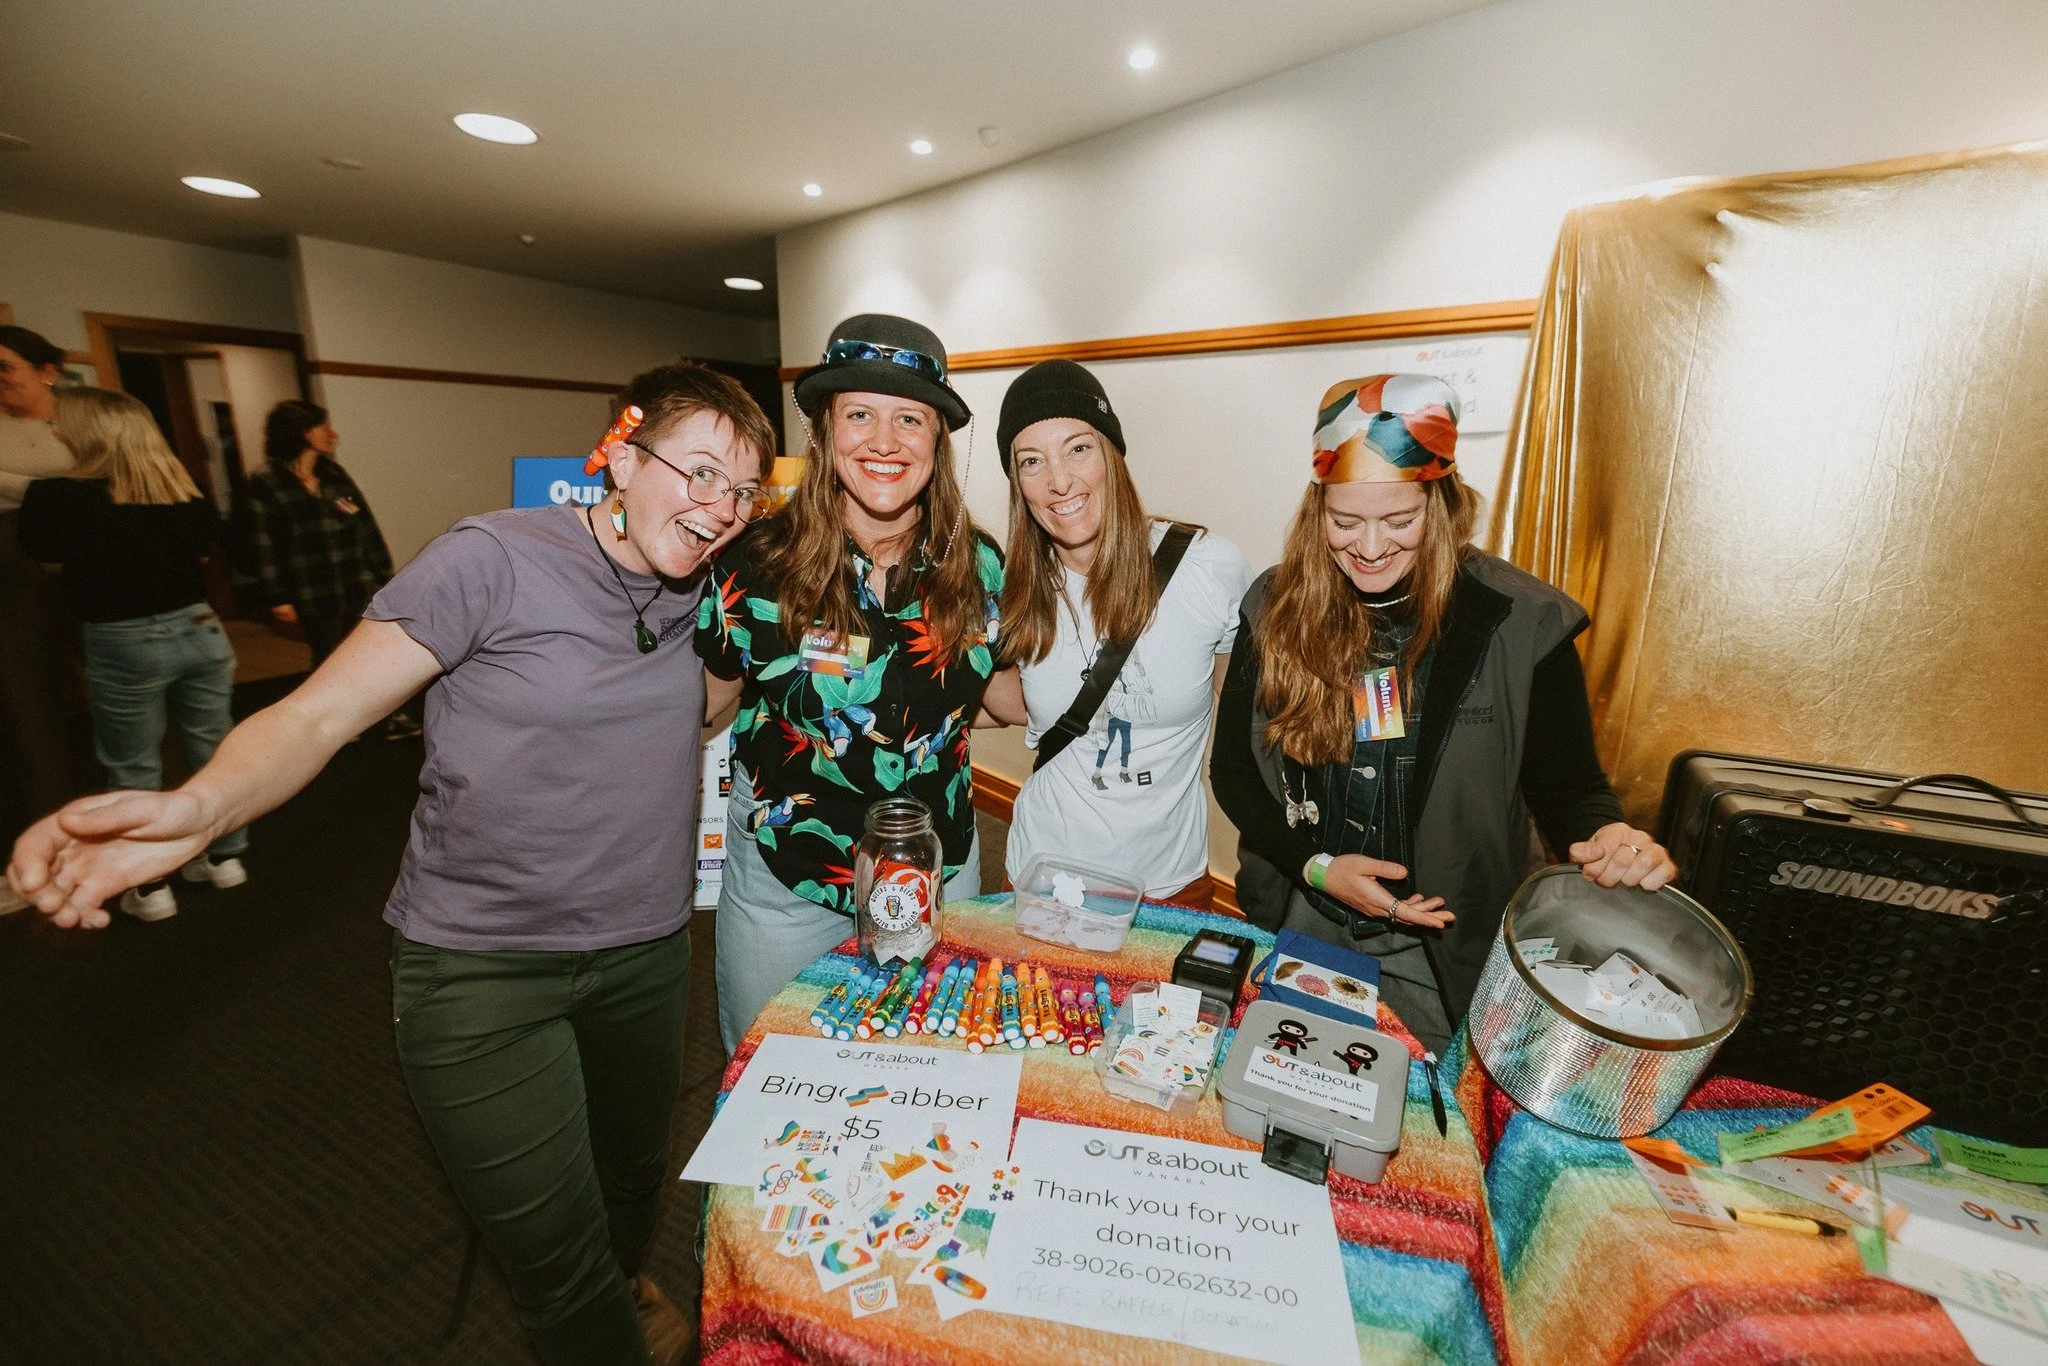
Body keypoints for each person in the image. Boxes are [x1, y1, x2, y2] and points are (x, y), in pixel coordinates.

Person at [11, 363, 778, 1366]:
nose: (720, 506)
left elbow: (702, 714)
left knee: (629, 1182)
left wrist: (736, 655)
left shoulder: (713, 589)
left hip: (644, 949)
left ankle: (623, 1281)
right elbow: (318, 713)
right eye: (699, 472)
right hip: (480, 967)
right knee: (553, 1261)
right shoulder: (491, 559)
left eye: (742, 489)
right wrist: (198, 807)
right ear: (621, 460)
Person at [1211, 373, 1676, 1055]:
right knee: (1290, 1084)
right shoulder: (1276, 605)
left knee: (1424, 1129)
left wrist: (1608, 835)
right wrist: (1316, 868)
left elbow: (1571, 790)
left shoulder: (1523, 625)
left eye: (1399, 521)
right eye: (1345, 522)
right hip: (1304, 912)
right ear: (1317, 511)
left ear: (1443, 503)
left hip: (1439, 945)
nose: (1369, 547)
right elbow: (1233, 772)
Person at [698, 313, 1012, 1052]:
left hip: (936, 862)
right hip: (789, 869)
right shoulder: (755, 565)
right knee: (770, 1069)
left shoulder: (982, 568)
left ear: (937, 439)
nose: (884, 440)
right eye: (860, 414)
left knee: (933, 1057)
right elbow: (706, 701)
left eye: (910, 418)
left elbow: (993, 697)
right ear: (825, 430)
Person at [988, 360, 1249, 905]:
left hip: (1168, 883)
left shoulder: (1208, 568)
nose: (1059, 481)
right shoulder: (1013, 590)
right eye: (1031, 461)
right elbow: (1008, 703)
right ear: (1016, 483)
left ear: (1112, 453)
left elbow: (1256, 716)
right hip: (1043, 876)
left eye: (1078, 448)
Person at [18, 388, 248, 919]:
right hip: (203, 631)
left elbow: (40, 549)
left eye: (60, 424)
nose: (54, 431)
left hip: (125, 641)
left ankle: (149, 886)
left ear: (83, 433)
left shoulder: (55, 496)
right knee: (215, 753)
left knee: (133, 765)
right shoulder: (184, 493)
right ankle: (225, 859)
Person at [240, 399, 418, 738]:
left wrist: (383, 573)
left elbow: (360, 522)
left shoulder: (333, 474)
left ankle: (387, 716)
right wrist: (276, 596)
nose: (332, 435)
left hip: (354, 580)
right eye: (324, 428)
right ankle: (336, 726)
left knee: (372, 654)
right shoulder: (266, 482)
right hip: (310, 586)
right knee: (329, 658)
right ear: (302, 433)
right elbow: (263, 545)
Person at [0, 325, 78, 865]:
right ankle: (49, 842)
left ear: (46, 370)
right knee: (26, 699)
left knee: (122, 693)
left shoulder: (80, 419)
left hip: (89, 564)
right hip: (13, 571)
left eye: (6, 368)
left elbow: (109, 478)